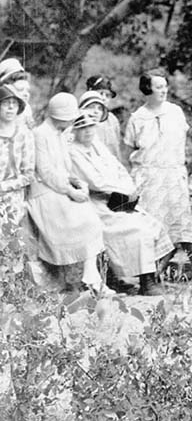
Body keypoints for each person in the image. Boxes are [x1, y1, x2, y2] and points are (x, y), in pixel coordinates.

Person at [125, 68, 192, 288]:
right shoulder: (137, 118)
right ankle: (152, 274)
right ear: (147, 89)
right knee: (153, 227)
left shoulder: (175, 112)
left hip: (173, 174)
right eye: (158, 87)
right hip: (148, 178)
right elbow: (129, 151)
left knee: (183, 224)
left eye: (165, 86)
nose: (163, 90)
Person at [69, 112, 172, 295]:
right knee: (136, 230)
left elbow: (119, 169)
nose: (88, 131)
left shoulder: (97, 146)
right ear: (74, 131)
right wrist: (121, 189)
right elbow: (96, 182)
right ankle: (144, 281)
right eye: (82, 128)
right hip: (95, 203)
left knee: (154, 225)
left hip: (116, 199)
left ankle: (153, 276)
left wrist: (128, 188)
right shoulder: (73, 152)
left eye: (91, 126)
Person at [26, 93, 106, 292]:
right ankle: (89, 279)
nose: (72, 121)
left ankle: (91, 276)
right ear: (59, 116)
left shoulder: (61, 134)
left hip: (61, 188)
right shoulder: (40, 134)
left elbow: (65, 168)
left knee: (92, 220)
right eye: (69, 118)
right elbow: (46, 172)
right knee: (84, 220)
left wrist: (77, 183)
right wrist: (70, 191)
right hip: (44, 192)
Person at [0, 84, 35, 250]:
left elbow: (28, 174)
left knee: (10, 237)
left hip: (13, 196)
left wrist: (5, 187)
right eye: (5, 103)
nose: (10, 108)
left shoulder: (24, 135)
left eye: (14, 104)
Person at [80, 84, 127, 168]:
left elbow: (116, 148)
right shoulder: (77, 128)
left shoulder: (112, 120)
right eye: (101, 93)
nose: (104, 98)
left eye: (107, 95)